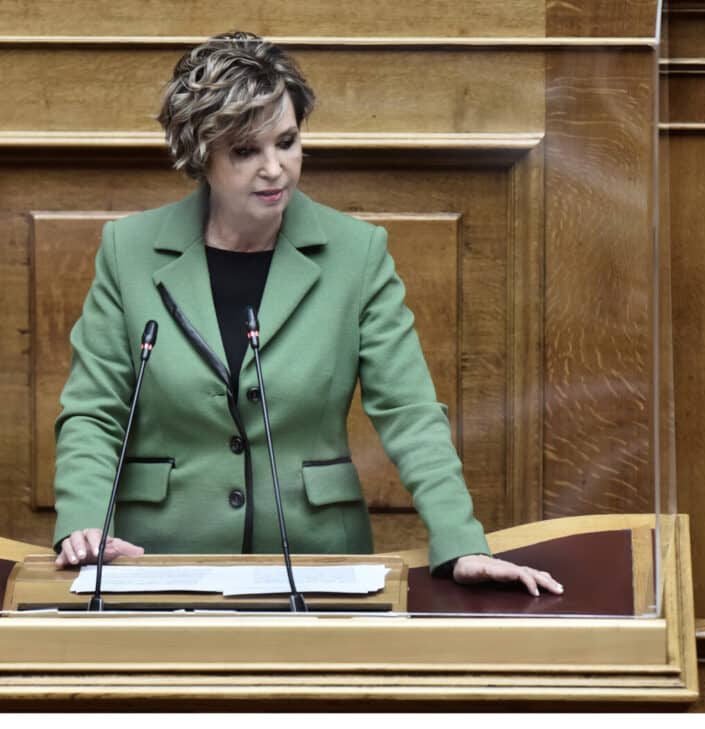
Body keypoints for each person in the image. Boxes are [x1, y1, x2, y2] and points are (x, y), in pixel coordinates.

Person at [52, 31, 562, 598]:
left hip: (318, 563)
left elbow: (410, 412)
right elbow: (94, 411)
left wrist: (462, 542)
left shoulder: (357, 254)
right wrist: (83, 522)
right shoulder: (129, 251)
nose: (275, 168)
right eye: (245, 151)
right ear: (201, 156)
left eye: (287, 142)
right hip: (161, 562)